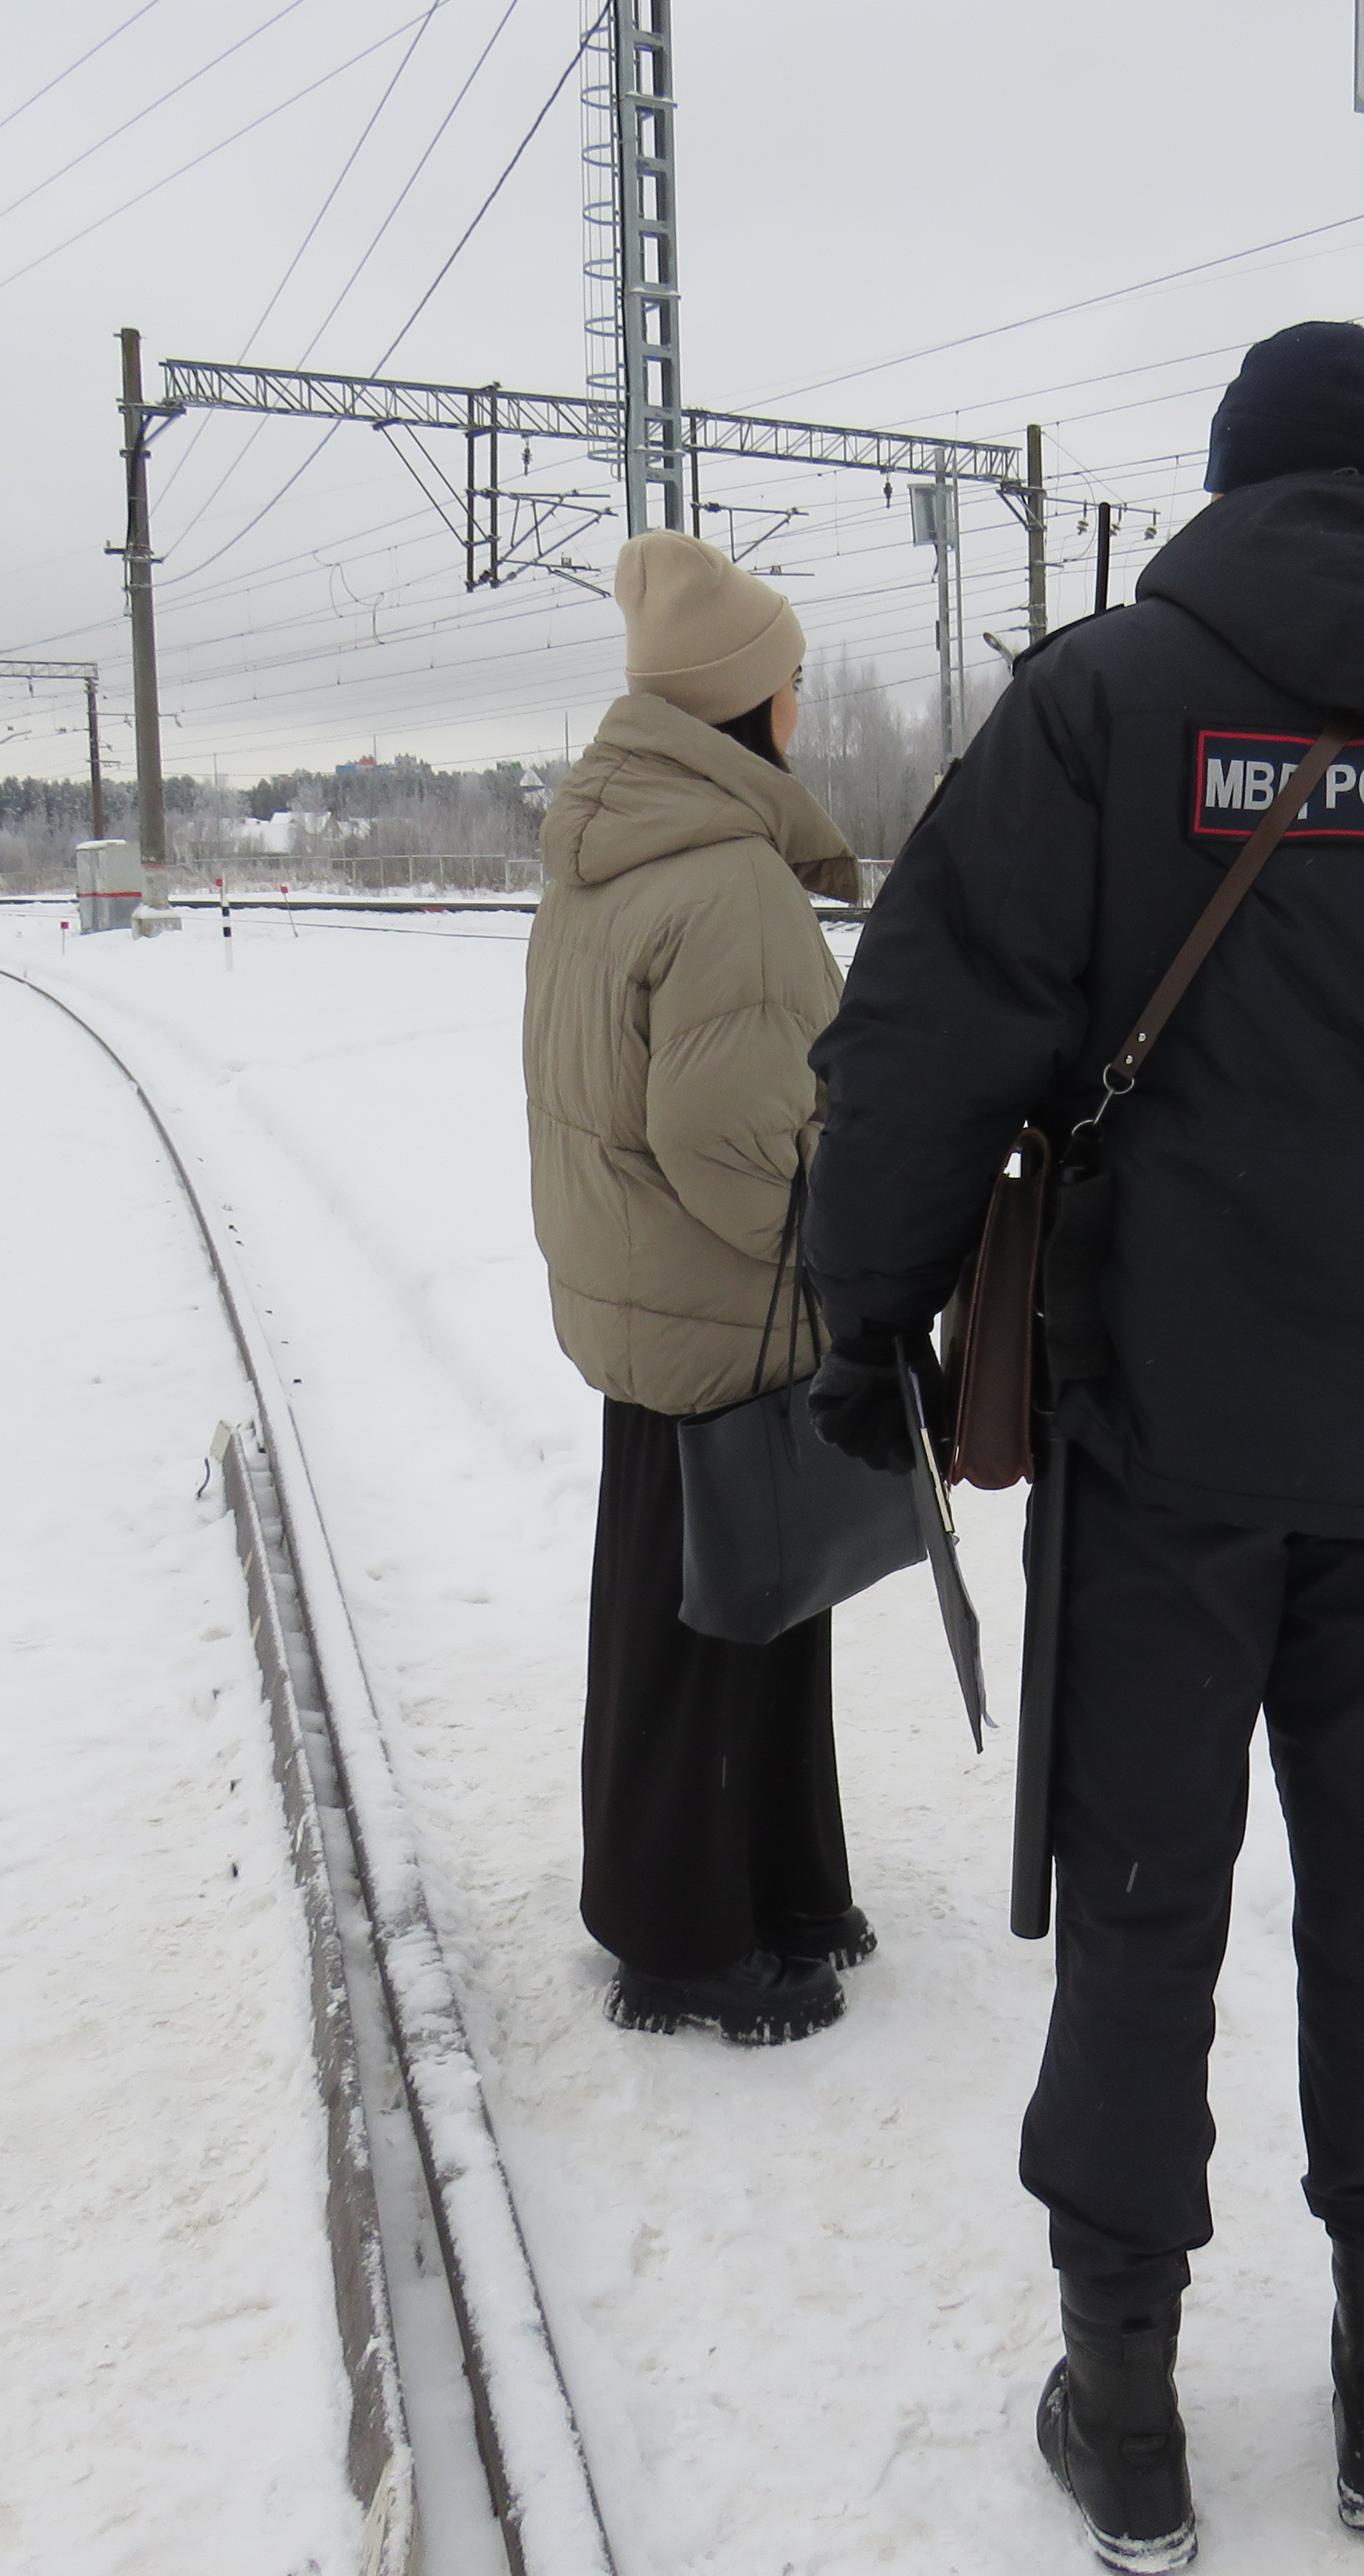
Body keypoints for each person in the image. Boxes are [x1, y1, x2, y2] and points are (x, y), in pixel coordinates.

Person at [800, 322, 1364, 2565]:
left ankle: (1125, 2409)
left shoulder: (1111, 705)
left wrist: (868, 1315)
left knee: (1142, 1902)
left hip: (1166, 1440)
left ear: (1230, 483)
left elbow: (920, 1025)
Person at [523, 530, 873, 2048]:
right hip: (716, 1304)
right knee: (716, 1631)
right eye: (789, 683)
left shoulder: (616, 848)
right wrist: (843, 1229)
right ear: (748, 705)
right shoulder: (726, 877)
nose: (799, 705)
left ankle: (782, 1887)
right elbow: (729, 1134)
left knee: (734, 1605)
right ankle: (682, 1941)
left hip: (641, 1293)